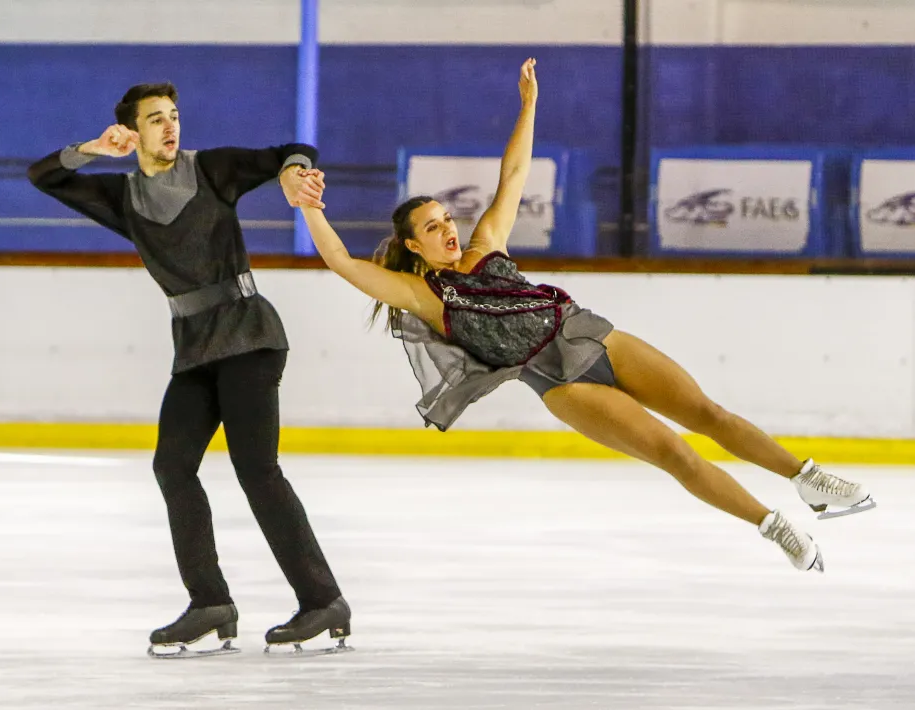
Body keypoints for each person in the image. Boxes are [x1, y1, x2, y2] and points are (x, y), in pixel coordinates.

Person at [290, 59, 875, 575]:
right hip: (560, 381)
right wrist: (312, 209)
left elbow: (513, 174)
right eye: (432, 228)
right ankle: (774, 526)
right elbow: (341, 261)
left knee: (707, 413)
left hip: (590, 334)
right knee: (675, 454)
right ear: (413, 247)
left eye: (446, 219)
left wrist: (530, 106)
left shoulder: (485, 247)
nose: (447, 230)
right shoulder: (423, 296)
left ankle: (809, 479)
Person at [27, 82, 350, 656]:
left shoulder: (214, 170)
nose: (170, 126)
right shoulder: (122, 198)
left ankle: (322, 599)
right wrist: (93, 149)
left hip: (249, 338)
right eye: (155, 120)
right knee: (172, 467)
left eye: (173, 116)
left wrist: (292, 173)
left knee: (257, 471)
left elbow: (295, 149)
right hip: (196, 350)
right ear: (133, 131)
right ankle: (210, 602)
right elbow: (43, 176)